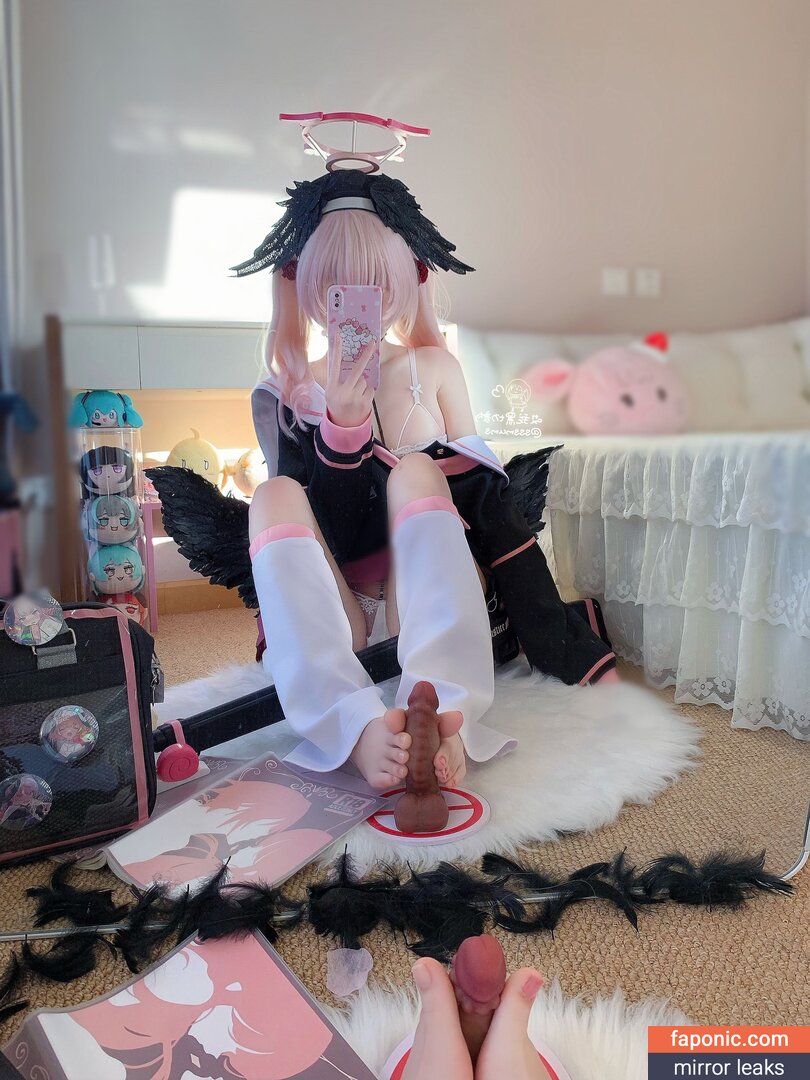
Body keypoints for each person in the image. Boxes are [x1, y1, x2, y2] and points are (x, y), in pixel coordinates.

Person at [234, 142, 617, 790]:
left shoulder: (433, 367)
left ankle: (445, 710)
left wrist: (552, 631)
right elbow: (315, 520)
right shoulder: (283, 393)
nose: (356, 302)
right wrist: (342, 425)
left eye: (375, 284)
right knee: (270, 494)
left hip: (429, 594)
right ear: (303, 282)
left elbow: (487, 496)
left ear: (408, 277)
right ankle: (348, 722)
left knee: (418, 473)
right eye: (336, 287)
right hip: (341, 612)